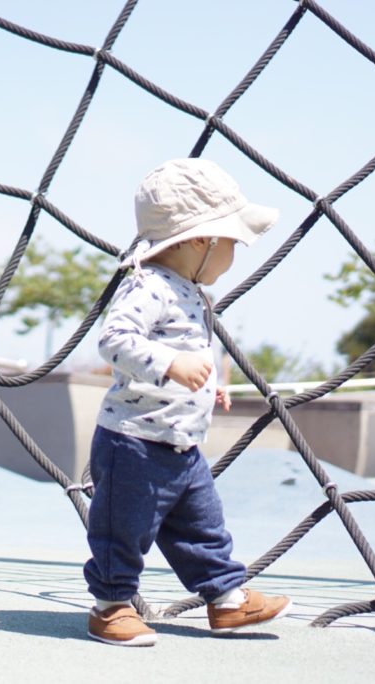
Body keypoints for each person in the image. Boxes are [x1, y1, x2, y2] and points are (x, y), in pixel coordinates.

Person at [84, 158, 291, 647]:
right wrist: (169, 365)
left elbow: (190, 349)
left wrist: (204, 384)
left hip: (181, 443)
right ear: (201, 239)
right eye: (233, 244)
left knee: (203, 526)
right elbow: (113, 340)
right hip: (133, 441)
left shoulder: (190, 292)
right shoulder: (148, 286)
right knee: (123, 529)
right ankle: (109, 606)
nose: (236, 255)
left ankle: (226, 600)